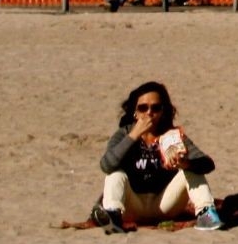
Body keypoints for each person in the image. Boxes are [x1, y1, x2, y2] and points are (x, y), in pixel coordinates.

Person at [92, 81, 225, 232]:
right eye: (143, 108)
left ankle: (206, 214)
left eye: (155, 108)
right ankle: (113, 217)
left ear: (163, 111)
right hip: (133, 204)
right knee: (115, 174)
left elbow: (207, 164)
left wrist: (185, 163)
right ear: (134, 112)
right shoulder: (124, 134)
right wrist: (134, 135)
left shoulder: (172, 135)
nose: (149, 113)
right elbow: (106, 165)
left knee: (191, 172)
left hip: (165, 203)